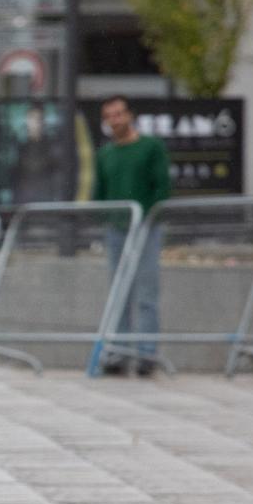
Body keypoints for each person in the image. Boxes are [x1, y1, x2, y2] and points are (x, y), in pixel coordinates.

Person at [89, 96, 172, 376]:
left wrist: (148, 218)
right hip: (116, 230)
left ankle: (147, 355)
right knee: (119, 292)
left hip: (146, 228)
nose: (115, 120)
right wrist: (105, 218)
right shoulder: (106, 154)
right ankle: (119, 354)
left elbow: (162, 187)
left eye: (119, 114)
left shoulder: (151, 147)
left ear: (130, 115)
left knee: (146, 293)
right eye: (109, 116)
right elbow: (100, 192)